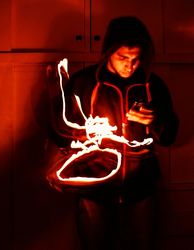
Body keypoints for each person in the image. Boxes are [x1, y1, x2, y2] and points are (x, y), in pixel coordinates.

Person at [46, 16, 179, 250]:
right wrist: (82, 139)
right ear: (108, 52)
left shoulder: (152, 86)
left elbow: (170, 137)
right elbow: (59, 131)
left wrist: (156, 120)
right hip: (96, 190)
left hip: (141, 189)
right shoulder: (84, 84)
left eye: (136, 59)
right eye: (123, 58)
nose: (130, 65)